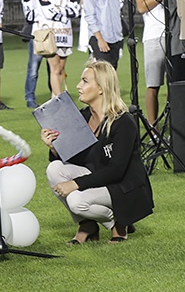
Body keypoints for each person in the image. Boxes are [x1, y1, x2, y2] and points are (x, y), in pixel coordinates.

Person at [42, 60, 153, 244]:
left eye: (85, 81)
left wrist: (75, 184)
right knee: (54, 169)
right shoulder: (83, 116)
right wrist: (54, 147)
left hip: (124, 187)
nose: (78, 86)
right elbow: (76, 157)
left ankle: (119, 222)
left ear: (101, 88)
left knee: (77, 201)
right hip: (98, 177)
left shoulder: (124, 122)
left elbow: (116, 170)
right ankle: (88, 225)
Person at [32, 0, 78, 100]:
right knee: (55, 68)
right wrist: (64, 12)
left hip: (65, 34)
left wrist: (61, 11)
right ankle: (59, 99)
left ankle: (54, 97)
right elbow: (49, 12)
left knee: (62, 69)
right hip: (51, 37)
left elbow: (75, 11)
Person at [133, 0, 166, 126]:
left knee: (177, 84)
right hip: (155, 34)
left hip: (177, 31)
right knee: (153, 84)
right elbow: (141, 6)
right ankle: (154, 129)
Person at [21, 0, 48, 108]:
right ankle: (30, 97)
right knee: (33, 67)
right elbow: (29, 15)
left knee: (55, 68)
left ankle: (56, 95)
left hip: (54, 32)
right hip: (38, 33)